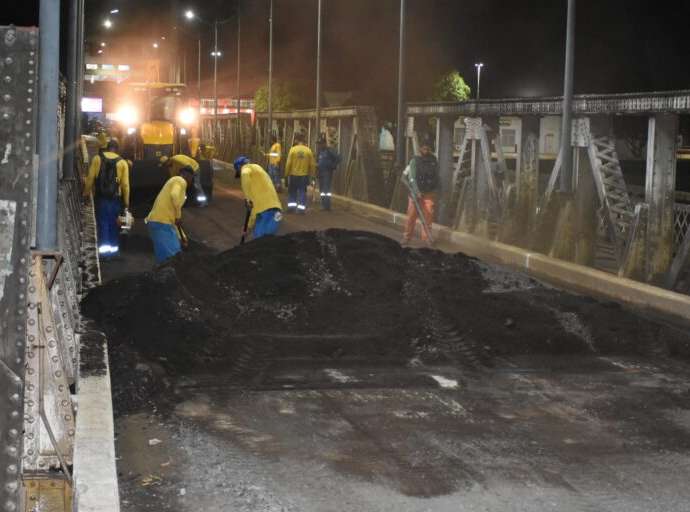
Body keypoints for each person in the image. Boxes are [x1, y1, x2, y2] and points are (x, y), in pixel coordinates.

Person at [83, 139, 130, 257]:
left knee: (103, 223)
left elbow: (90, 178)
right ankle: (114, 252)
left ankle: (104, 254)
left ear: (107, 148)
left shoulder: (97, 159)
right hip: (115, 199)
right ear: (117, 149)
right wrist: (126, 202)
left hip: (101, 198)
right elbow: (125, 185)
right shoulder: (122, 162)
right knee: (114, 223)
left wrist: (85, 193)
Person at [145, 167, 195, 263]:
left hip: (160, 223)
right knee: (173, 257)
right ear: (187, 175)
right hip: (161, 224)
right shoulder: (179, 180)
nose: (192, 181)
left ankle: (163, 274)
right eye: (192, 178)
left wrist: (182, 237)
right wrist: (178, 216)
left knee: (165, 258)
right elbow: (174, 195)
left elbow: (175, 222)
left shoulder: (174, 182)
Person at [402, 137, 440, 245]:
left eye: (428, 149)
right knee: (411, 216)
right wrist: (416, 191)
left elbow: (436, 176)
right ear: (420, 149)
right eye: (424, 149)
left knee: (428, 216)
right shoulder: (414, 161)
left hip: (429, 192)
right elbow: (412, 177)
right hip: (415, 193)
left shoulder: (433, 160)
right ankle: (407, 236)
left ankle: (427, 237)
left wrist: (435, 189)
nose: (426, 151)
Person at [234, 156, 283, 239]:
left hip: (264, 212)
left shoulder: (245, 169)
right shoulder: (259, 168)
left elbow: (245, 174)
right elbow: (253, 211)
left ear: (239, 167)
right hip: (278, 212)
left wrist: (247, 199)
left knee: (258, 240)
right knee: (268, 240)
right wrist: (248, 226)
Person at [284, 133, 316, 213]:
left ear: (296, 140)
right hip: (304, 175)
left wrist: (286, 174)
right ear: (304, 141)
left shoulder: (293, 150)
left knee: (292, 191)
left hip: (293, 175)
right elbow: (312, 164)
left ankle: (291, 208)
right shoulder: (308, 150)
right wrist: (312, 175)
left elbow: (288, 164)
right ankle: (301, 209)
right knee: (302, 191)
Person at [316, 135, 341, 211]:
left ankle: (327, 205)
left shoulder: (329, 150)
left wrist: (333, 166)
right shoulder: (320, 152)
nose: (319, 145)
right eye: (318, 144)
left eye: (320, 144)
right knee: (322, 190)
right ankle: (324, 204)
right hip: (320, 172)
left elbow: (338, 158)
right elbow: (318, 162)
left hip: (327, 173)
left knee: (326, 189)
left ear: (324, 143)